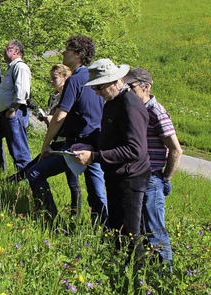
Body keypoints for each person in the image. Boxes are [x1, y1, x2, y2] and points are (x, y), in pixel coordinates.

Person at [73, 59, 151, 263]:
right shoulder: (113, 103)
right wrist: (92, 147)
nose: (97, 92)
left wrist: (95, 157)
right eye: (94, 87)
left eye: (99, 87)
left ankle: (138, 277)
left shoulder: (130, 106)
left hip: (131, 178)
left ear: (114, 81)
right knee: (117, 230)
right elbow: (113, 138)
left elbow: (135, 149)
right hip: (116, 174)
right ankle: (119, 271)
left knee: (130, 233)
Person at [26, 35, 108, 223]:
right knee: (97, 193)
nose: (63, 52)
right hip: (95, 144)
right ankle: (106, 230)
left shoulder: (75, 80)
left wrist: (45, 146)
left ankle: (51, 221)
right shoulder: (95, 78)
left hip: (76, 146)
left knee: (34, 173)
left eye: (68, 49)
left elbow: (59, 117)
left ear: (79, 54)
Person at [124, 67, 182, 265]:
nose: (127, 91)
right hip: (137, 177)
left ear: (145, 87)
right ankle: (144, 267)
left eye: (131, 87)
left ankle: (165, 274)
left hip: (152, 178)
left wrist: (164, 178)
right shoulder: (136, 109)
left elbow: (175, 149)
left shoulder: (156, 111)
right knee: (138, 227)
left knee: (155, 230)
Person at [11, 64, 81, 217]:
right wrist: (47, 119)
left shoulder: (69, 96)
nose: (51, 82)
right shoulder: (53, 97)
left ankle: (72, 213)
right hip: (55, 141)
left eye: (55, 78)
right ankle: (44, 208)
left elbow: (66, 119)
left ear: (65, 78)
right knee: (33, 169)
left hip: (66, 142)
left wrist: (54, 120)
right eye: (50, 79)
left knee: (72, 180)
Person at [0, 40, 32, 172]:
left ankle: (29, 184)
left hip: (14, 114)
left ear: (16, 51)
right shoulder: (12, 67)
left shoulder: (20, 67)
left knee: (20, 152)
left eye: (8, 48)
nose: (4, 51)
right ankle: (21, 183)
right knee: (14, 150)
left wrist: (12, 110)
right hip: (10, 114)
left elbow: (22, 91)